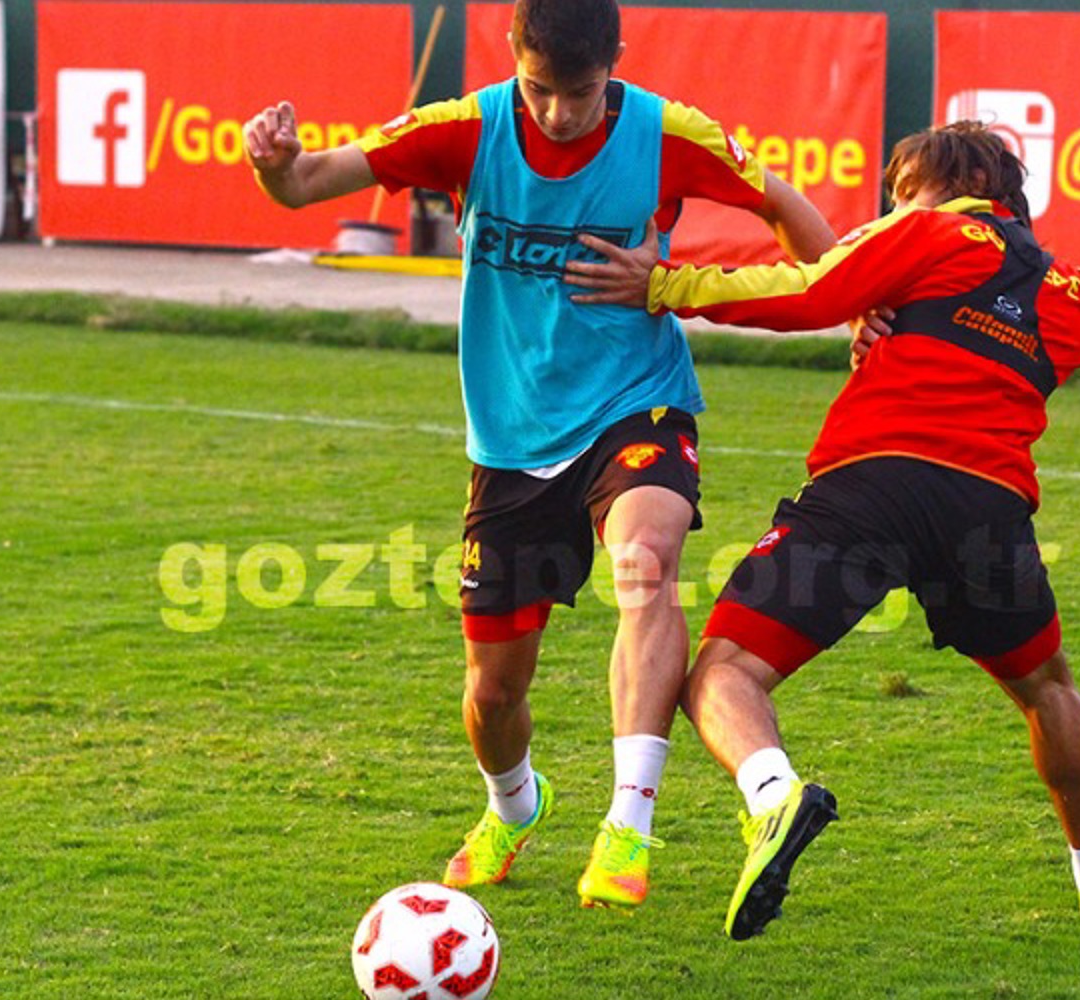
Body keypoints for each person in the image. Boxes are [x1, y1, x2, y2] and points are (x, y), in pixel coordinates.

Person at [566, 120, 1080, 937]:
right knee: (1048, 690)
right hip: (986, 513)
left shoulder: (927, 232)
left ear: (957, 183)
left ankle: (774, 797)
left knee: (723, 673)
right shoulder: (1075, 293)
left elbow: (808, 290)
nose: (891, 208)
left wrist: (666, 285)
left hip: (868, 488)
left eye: (902, 190)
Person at [243, 0, 834, 909]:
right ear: (513, 55)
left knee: (646, 563)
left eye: (581, 92)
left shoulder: (669, 135)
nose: (558, 112)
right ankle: (514, 807)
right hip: (513, 441)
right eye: (539, 89)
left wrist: (854, 305)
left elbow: (791, 215)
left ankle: (628, 825)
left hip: (637, 403)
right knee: (492, 693)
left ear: (617, 63)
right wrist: (274, 164)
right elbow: (307, 183)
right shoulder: (465, 128)